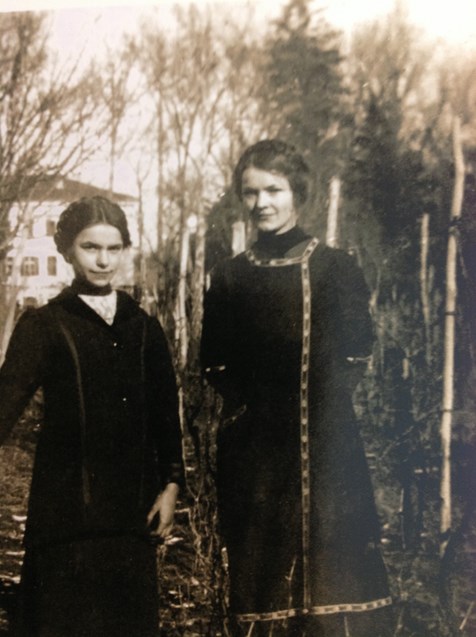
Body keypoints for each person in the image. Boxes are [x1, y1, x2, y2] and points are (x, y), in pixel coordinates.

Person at [201, 140, 393, 636]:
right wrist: (251, 421)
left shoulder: (336, 268)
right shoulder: (229, 277)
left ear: (297, 194)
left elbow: (357, 352)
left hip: (328, 454)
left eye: (274, 189)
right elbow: (215, 365)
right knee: (265, 582)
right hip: (257, 459)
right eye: (250, 192)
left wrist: (318, 413)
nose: (261, 202)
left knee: (335, 578)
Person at [0, 196, 184, 637]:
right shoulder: (43, 325)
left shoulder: (144, 328)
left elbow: (165, 415)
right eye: (90, 247)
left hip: (131, 515)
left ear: (125, 250)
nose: (103, 261)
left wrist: (172, 486)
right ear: (67, 250)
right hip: (66, 516)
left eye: (114, 248)